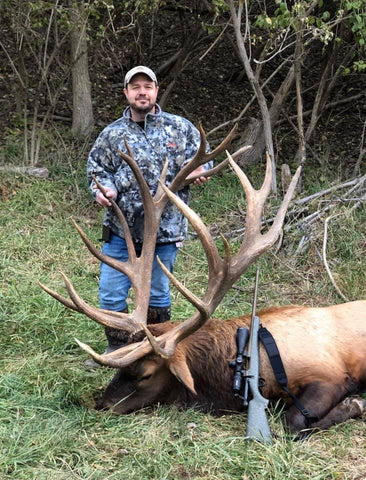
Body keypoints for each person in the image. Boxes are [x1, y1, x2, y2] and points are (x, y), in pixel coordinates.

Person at [86, 65, 211, 365]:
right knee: (111, 292)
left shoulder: (180, 129)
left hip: (166, 232)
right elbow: (97, 170)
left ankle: (152, 348)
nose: (142, 92)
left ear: (156, 91)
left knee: (157, 291)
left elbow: (203, 159)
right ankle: (116, 348)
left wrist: (201, 170)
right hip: (120, 231)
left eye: (148, 86)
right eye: (136, 87)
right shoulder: (111, 134)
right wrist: (103, 190)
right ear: (127, 93)